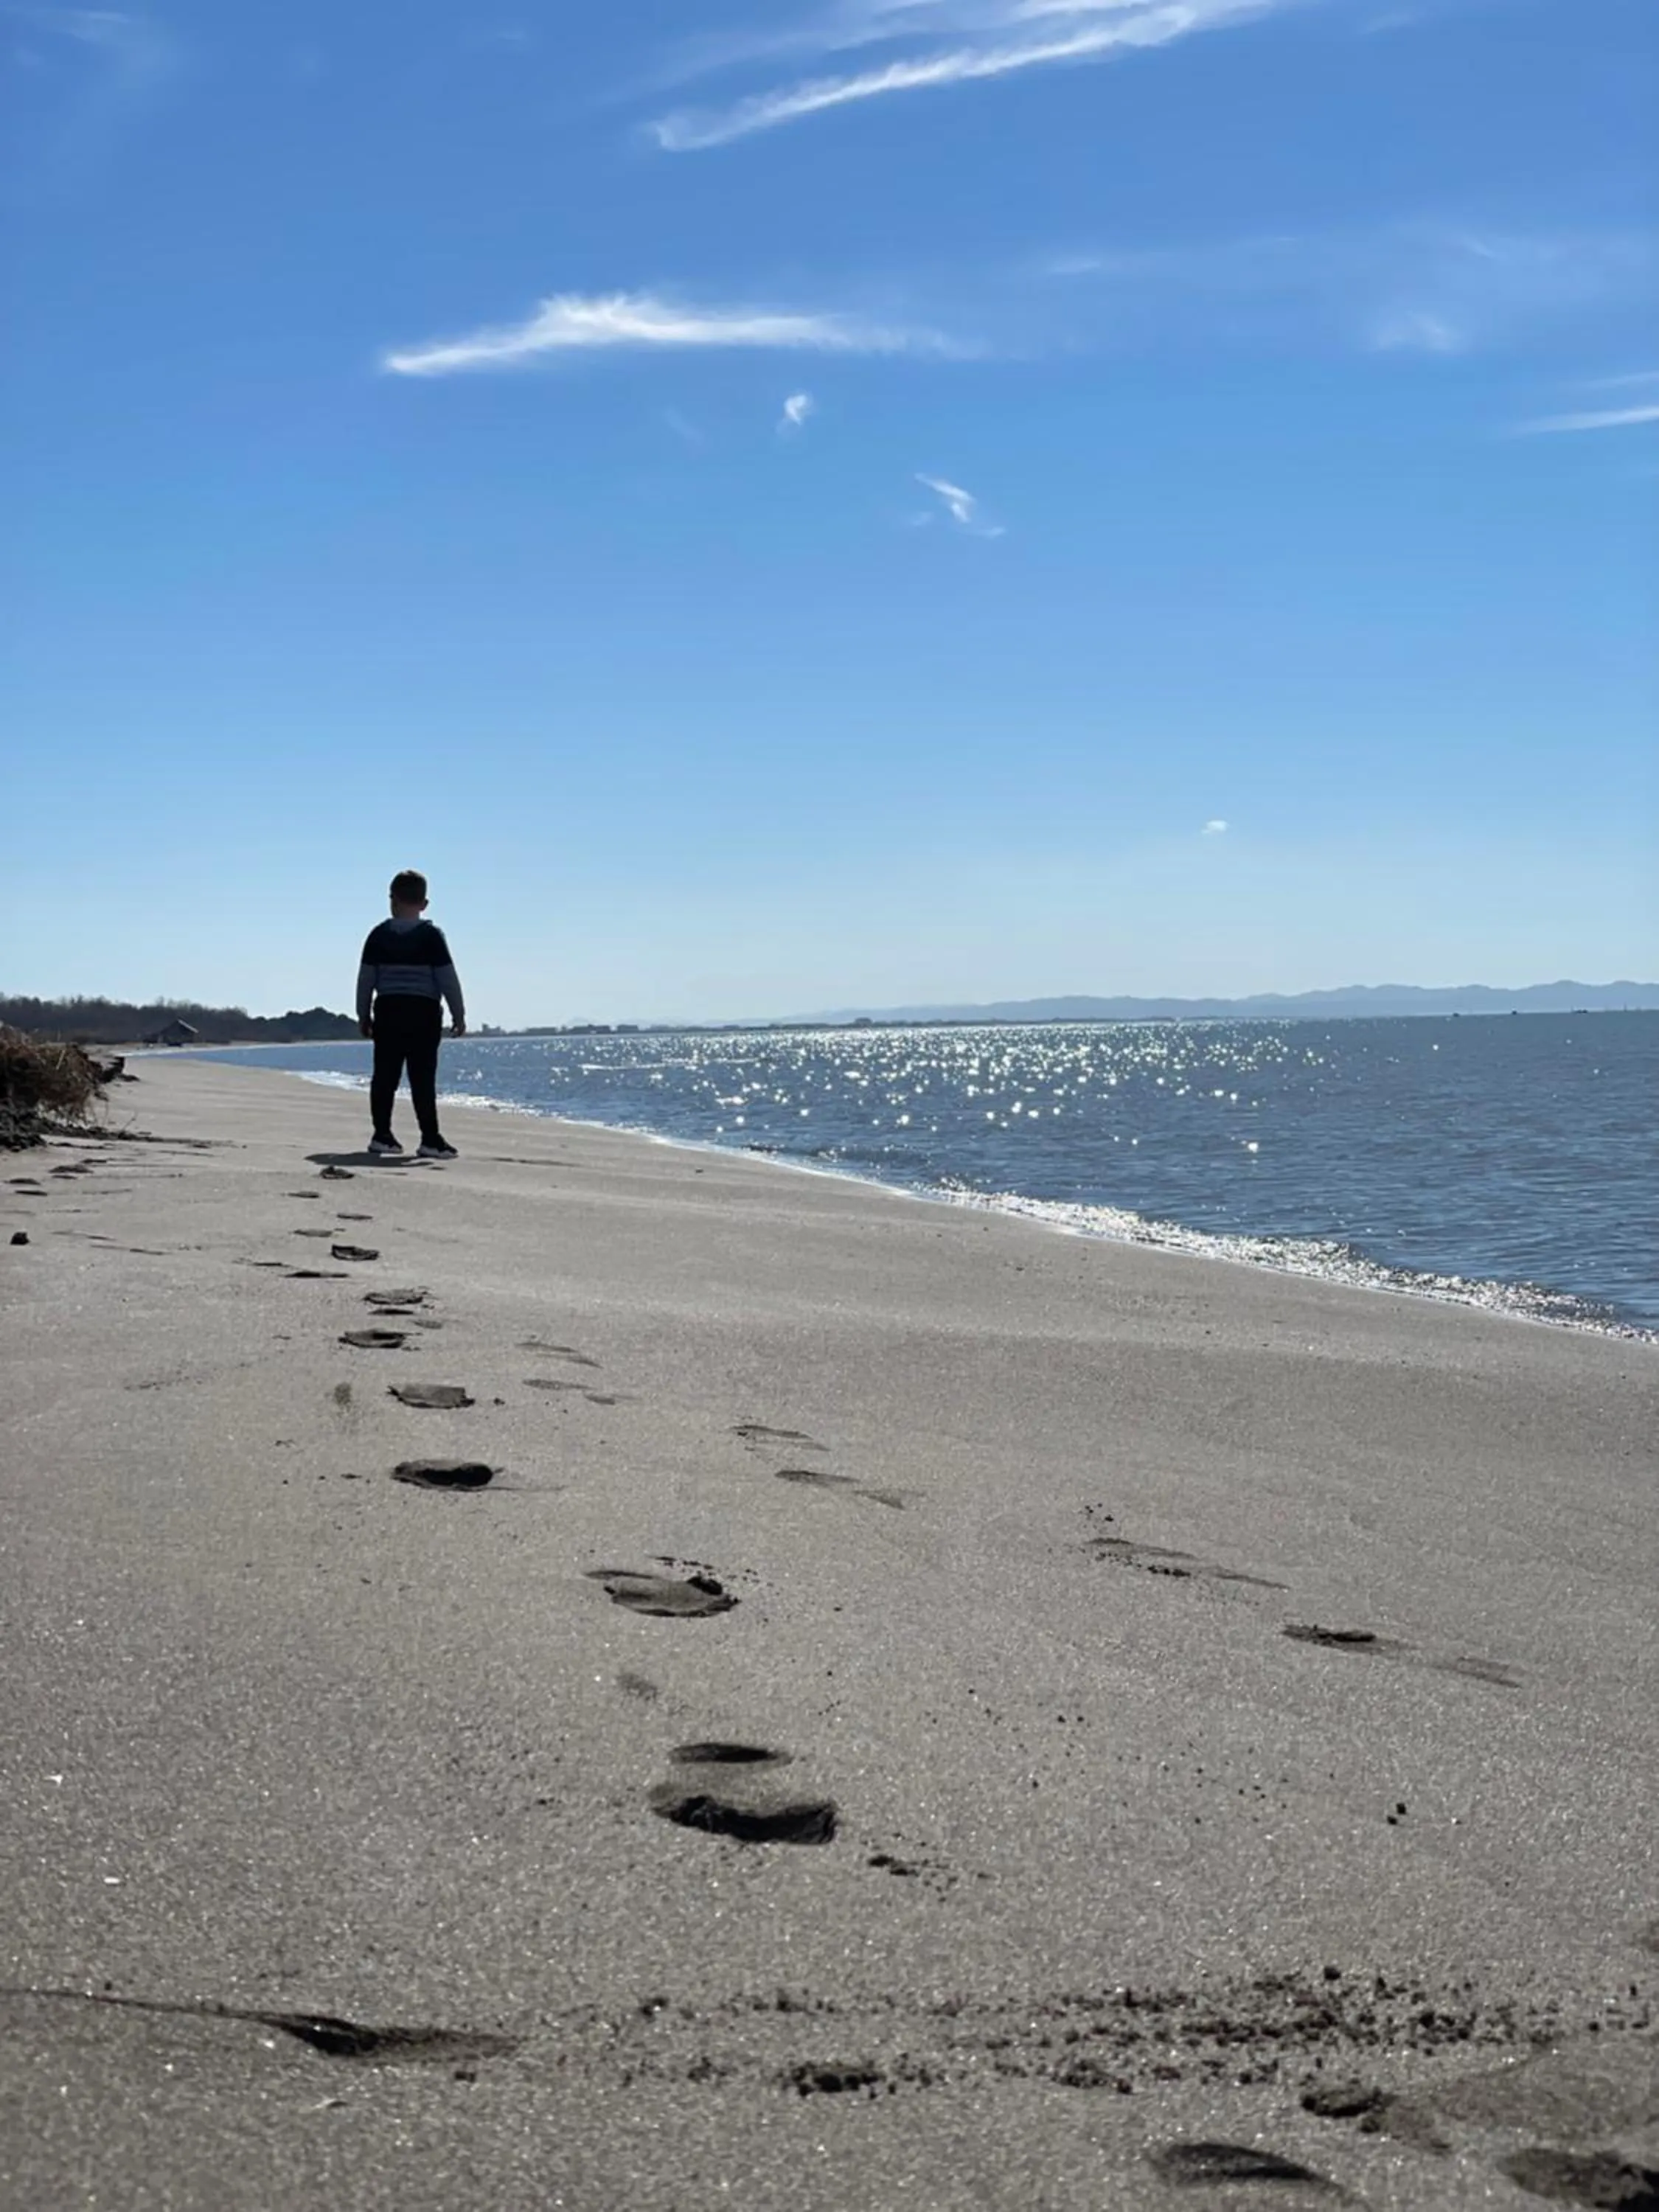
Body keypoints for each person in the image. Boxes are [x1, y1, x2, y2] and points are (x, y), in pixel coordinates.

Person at [356, 869, 466, 1158]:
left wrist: (363, 1014)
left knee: (385, 1077)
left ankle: (382, 1134)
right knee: (422, 1078)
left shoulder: (378, 936)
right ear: (424, 904)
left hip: (389, 1009)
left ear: (392, 900)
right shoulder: (431, 936)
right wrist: (459, 1014)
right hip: (423, 1012)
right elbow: (447, 979)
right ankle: (430, 1138)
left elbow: (366, 980)